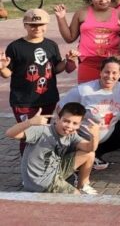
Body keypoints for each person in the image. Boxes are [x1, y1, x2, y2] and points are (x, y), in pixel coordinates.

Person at [1, 9, 78, 153]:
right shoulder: (15, 47)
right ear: (25, 25)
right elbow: (7, 74)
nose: (37, 28)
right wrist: (2, 67)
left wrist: (68, 60)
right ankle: (27, 163)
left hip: (48, 98)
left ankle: (44, 162)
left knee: (45, 133)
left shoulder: (51, 45)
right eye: (32, 25)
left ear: (47, 25)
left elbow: (55, 69)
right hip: (24, 101)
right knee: (28, 134)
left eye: (41, 25)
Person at [57, 58, 120, 170]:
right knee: (77, 163)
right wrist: (71, 129)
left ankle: (96, 154)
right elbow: (60, 108)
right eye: (106, 72)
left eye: (114, 73)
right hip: (82, 137)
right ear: (100, 72)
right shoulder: (83, 90)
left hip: (104, 135)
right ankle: (77, 157)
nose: (110, 76)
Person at [5, 103, 99, 194]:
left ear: (79, 125)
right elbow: (10, 133)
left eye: (75, 123)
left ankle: (82, 185)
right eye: (66, 121)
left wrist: (95, 136)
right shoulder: (42, 130)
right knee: (75, 196)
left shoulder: (72, 134)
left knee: (89, 154)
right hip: (39, 181)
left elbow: (89, 148)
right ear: (57, 119)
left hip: (54, 171)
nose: (69, 126)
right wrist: (30, 122)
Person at [54, 0, 120, 83]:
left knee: (110, 97)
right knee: (87, 94)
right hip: (88, 62)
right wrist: (61, 18)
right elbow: (69, 38)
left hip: (113, 63)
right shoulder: (82, 13)